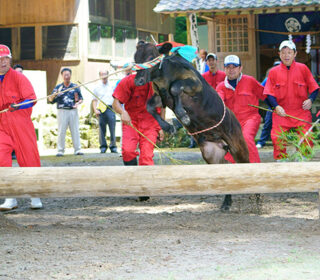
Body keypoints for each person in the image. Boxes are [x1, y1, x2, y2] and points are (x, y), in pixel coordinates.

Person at [0, 44, 42, 211]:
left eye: (5, 59)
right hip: (2, 126)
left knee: (29, 158)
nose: (3, 62)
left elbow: (31, 99)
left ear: (10, 60)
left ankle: (35, 195)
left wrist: (20, 105)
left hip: (20, 124)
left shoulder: (19, 77)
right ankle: (10, 197)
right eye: (0, 59)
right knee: (1, 159)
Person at [263, 40, 319, 161]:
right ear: (279, 54)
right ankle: (281, 160)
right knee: (277, 137)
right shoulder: (273, 72)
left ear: (295, 54)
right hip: (281, 112)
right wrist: (276, 107)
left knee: (307, 136)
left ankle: (303, 160)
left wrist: (311, 100)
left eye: (289, 52)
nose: (286, 55)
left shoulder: (303, 69)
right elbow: (268, 93)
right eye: (283, 52)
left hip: (301, 111)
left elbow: (314, 88)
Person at [216, 55, 265, 163]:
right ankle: (236, 170)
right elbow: (219, 103)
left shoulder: (250, 81)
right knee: (230, 143)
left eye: (234, 67)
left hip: (250, 118)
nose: (231, 70)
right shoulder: (221, 86)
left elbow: (265, 95)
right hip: (232, 123)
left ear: (240, 68)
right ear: (224, 69)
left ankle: (255, 167)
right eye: (228, 67)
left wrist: (276, 107)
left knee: (246, 138)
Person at [48, 68, 84, 157]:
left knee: (75, 130)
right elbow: (50, 99)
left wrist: (78, 103)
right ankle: (60, 150)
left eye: (68, 75)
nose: (66, 77)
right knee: (61, 131)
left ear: (70, 75)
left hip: (73, 110)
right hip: (62, 111)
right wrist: (54, 94)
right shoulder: (58, 88)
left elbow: (81, 99)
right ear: (62, 76)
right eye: (65, 75)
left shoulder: (75, 87)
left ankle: (77, 149)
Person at [256, 60, 281, 149]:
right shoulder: (268, 79)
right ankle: (261, 142)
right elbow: (260, 88)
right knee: (267, 124)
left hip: (284, 106)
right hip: (272, 106)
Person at [92, 70, 117, 153]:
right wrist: (95, 110)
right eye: (102, 74)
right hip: (100, 109)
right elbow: (94, 100)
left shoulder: (113, 85)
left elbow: (116, 98)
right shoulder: (96, 87)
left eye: (105, 74)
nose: (104, 76)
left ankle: (113, 146)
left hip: (110, 107)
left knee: (112, 128)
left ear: (108, 75)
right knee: (102, 128)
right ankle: (103, 146)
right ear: (99, 76)